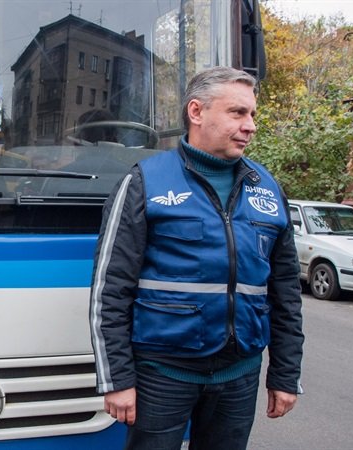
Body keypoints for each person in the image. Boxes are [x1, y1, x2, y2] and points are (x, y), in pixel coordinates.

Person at [89, 66, 304, 450]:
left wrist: (286, 374)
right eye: (237, 112)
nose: (250, 125)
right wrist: (116, 379)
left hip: (239, 376)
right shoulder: (145, 182)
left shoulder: (267, 189)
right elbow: (110, 289)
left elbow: (285, 291)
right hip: (162, 374)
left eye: (252, 114)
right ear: (196, 111)